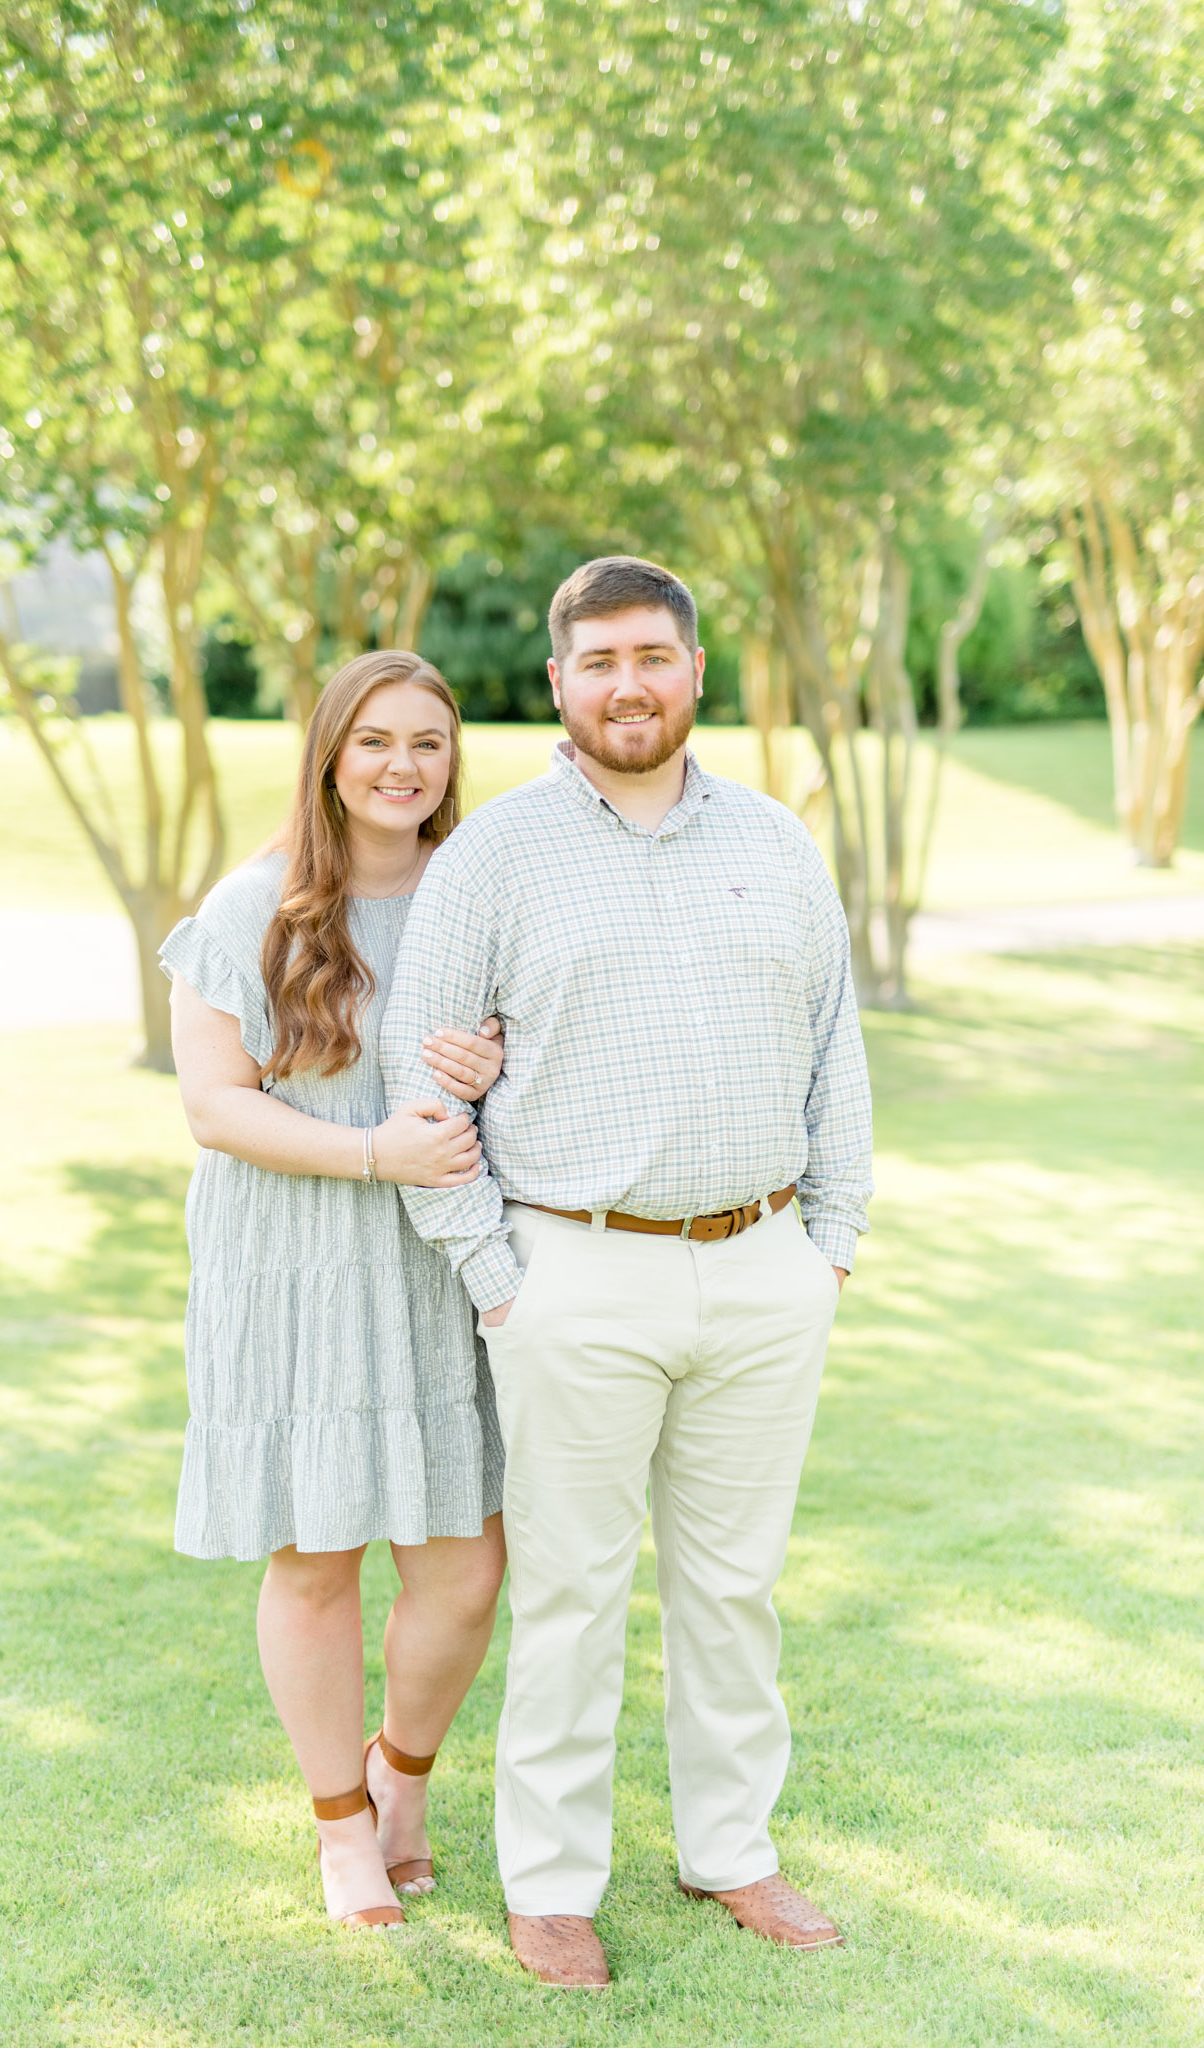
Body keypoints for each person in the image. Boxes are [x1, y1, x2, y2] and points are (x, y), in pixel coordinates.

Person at [380, 557, 873, 1987]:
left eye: (651, 656)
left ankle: (731, 1850)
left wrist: (825, 1242)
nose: (626, 684)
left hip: (763, 1265)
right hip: (571, 1276)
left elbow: (831, 1041)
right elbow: (426, 1082)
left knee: (734, 1588)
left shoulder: (777, 840)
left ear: (694, 671)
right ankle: (547, 1884)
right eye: (596, 660)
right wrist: (495, 1274)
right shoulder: (496, 854)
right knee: (572, 1594)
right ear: (558, 684)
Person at [160, 650, 508, 1933]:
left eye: (428, 740)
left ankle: (400, 1778)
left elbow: (534, 1073)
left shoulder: (479, 894)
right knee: (315, 1556)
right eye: (374, 741)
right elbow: (211, 1106)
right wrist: (374, 1151)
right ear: (327, 755)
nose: (402, 765)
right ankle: (339, 1825)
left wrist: (491, 1063)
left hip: (435, 1269)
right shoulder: (255, 902)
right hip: (298, 1265)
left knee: (466, 1567)